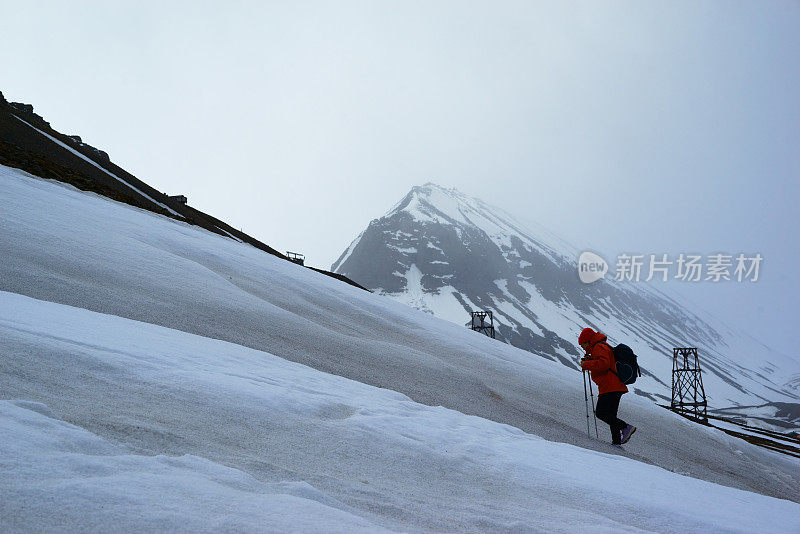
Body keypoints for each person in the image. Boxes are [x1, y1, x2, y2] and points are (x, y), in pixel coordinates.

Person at [578, 327, 636, 446]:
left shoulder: (599, 347)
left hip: (610, 386)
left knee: (601, 413)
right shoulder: (601, 346)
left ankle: (625, 427)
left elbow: (603, 364)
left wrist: (587, 364)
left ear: (588, 341)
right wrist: (590, 360)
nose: (582, 347)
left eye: (582, 344)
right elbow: (604, 361)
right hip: (615, 386)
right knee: (611, 415)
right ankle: (616, 442)